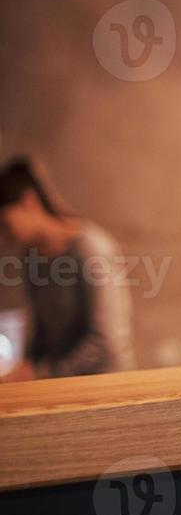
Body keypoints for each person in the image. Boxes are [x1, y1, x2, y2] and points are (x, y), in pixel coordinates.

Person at [0, 156, 137, 380]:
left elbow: (106, 342)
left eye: (5, 224)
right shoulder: (32, 257)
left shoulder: (91, 248)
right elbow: (42, 331)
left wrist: (41, 375)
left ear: (29, 202)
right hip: (62, 385)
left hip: (106, 385)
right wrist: (27, 365)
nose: (4, 235)